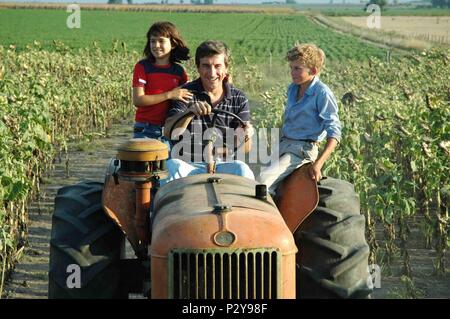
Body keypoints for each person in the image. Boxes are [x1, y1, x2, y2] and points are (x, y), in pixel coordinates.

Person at [163, 40, 255, 181]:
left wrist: (246, 134)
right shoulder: (185, 93)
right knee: (172, 166)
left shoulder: (238, 98)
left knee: (243, 169)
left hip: (223, 164)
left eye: (217, 66)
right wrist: (189, 113)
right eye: (206, 66)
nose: (212, 73)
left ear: (226, 68)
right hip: (188, 163)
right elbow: (169, 132)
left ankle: (250, 203)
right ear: (198, 68)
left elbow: (246, 148)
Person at [259, 43, 342, 196]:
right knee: (253, 177)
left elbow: (335, 133)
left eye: (297, 68)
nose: (292, 72)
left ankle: (267, 219)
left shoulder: (322, 93)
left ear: (314, 70)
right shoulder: (292, 88)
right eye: (291, 68)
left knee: (264, 181)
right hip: (284, 144)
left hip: (302, 150)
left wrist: (318, 164)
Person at [132, 21, 193, 140]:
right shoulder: (142, 67)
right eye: (152, 41)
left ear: (173, 44)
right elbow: (138, 100)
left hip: (170, 130)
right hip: (145, 129)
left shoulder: (179, 72)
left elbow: (186, 98)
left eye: (161, 41)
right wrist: (169, 95)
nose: (156, 45)